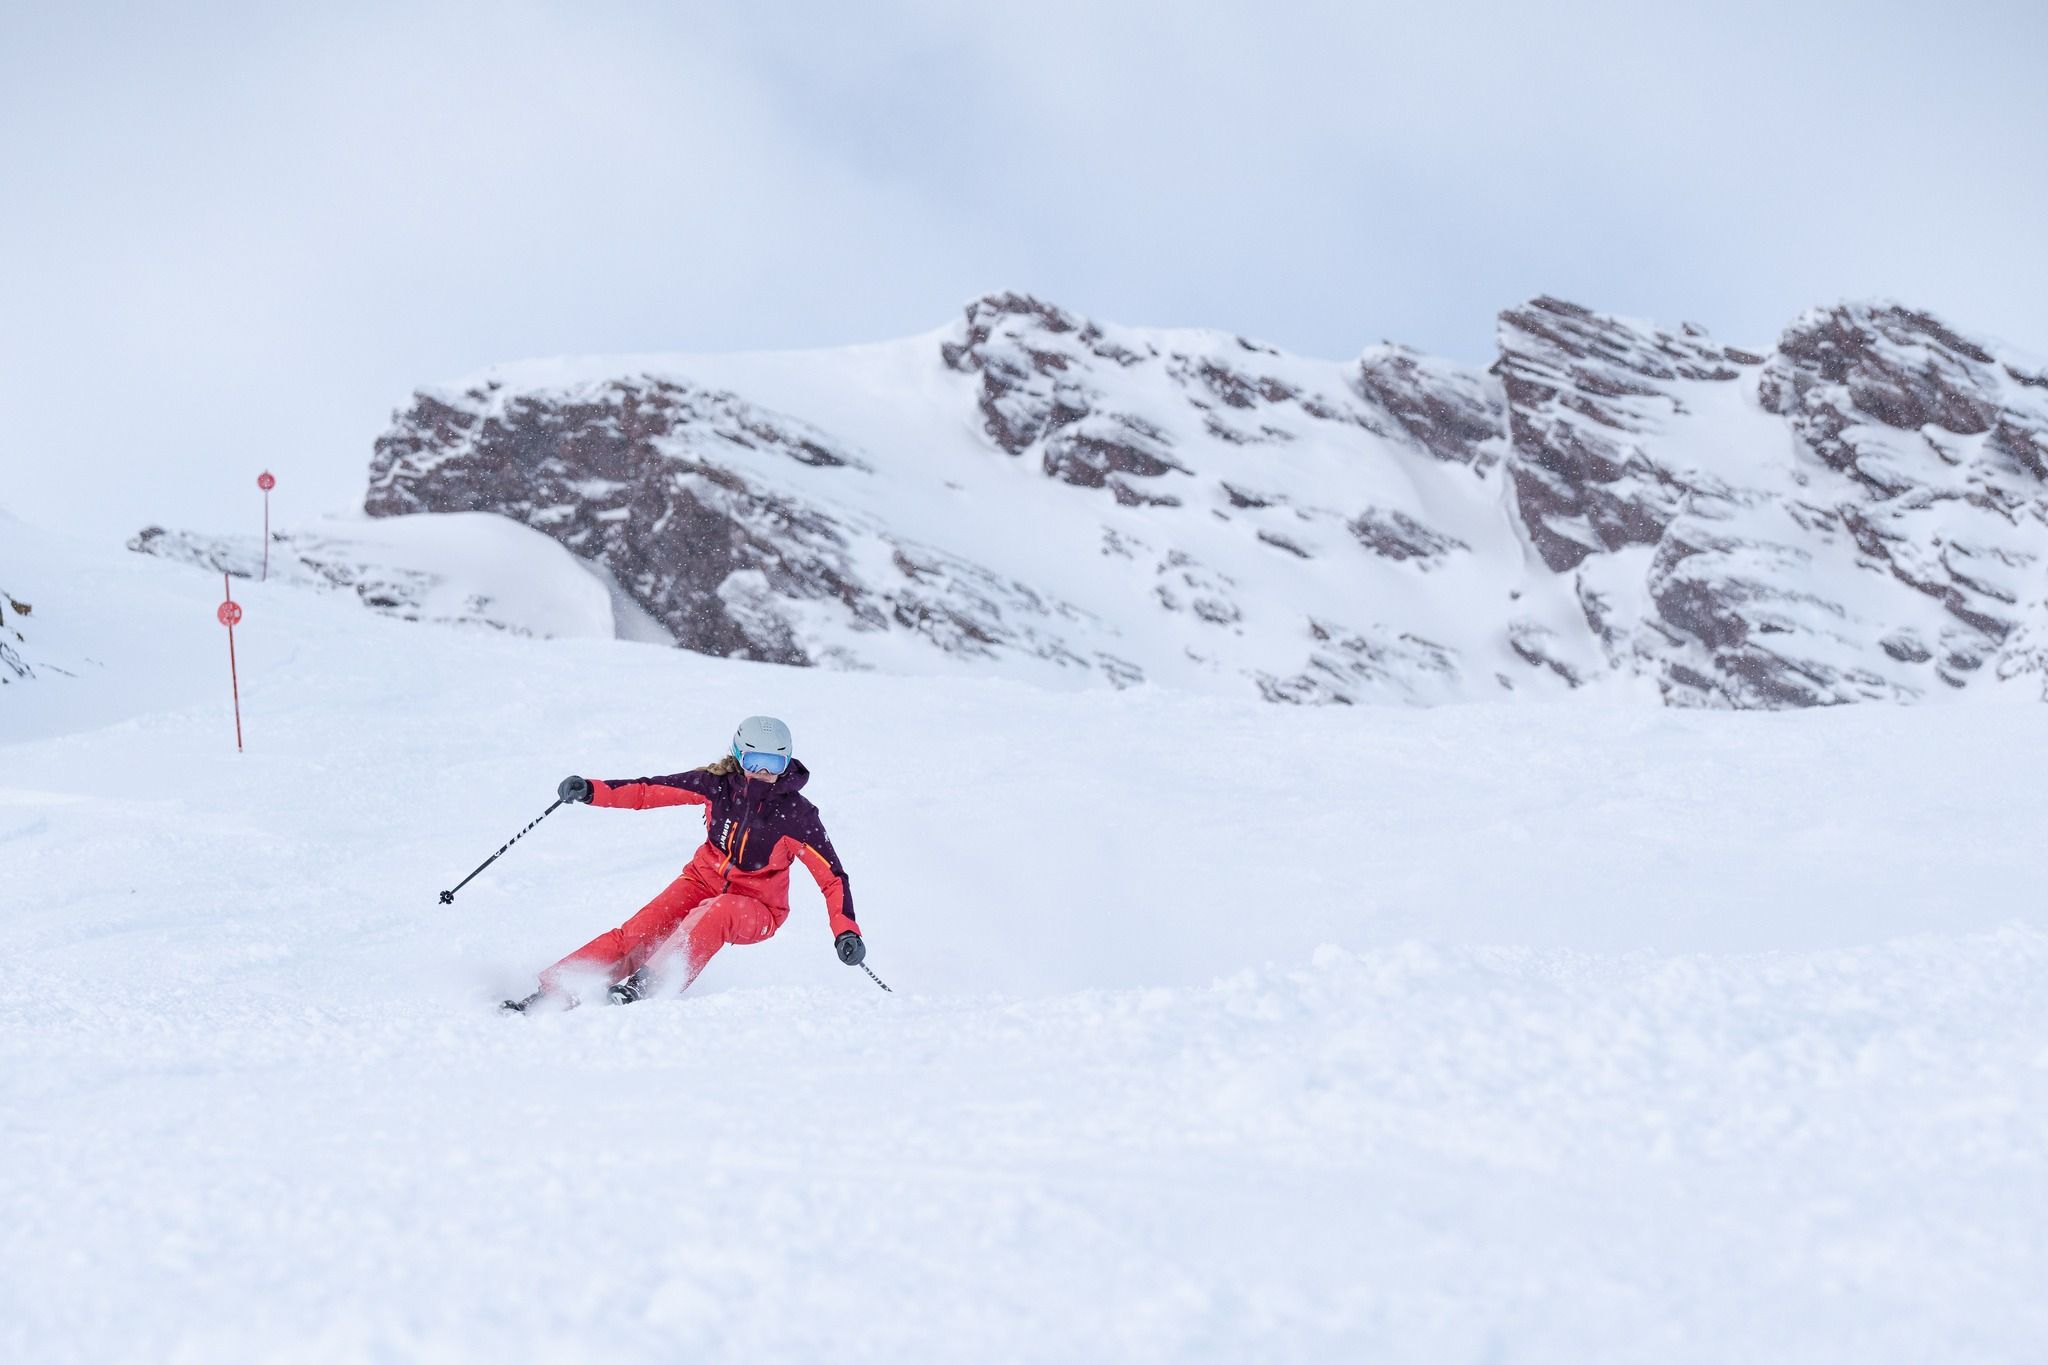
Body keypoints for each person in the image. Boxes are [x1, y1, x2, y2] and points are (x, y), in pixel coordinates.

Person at [503, 715, 863, 1012]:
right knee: (636, 933)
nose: (764, 772)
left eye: (775, 764)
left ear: (787, 763)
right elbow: (648, 791)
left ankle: (646, 988)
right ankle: (554, 992)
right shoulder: (717, 786)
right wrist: (593, 790)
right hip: (700, 881)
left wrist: (846, 931)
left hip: (759, 908)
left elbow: (832, 877)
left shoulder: (797, 816)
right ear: (739, 756)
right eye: (755, 762)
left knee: (719, 910)